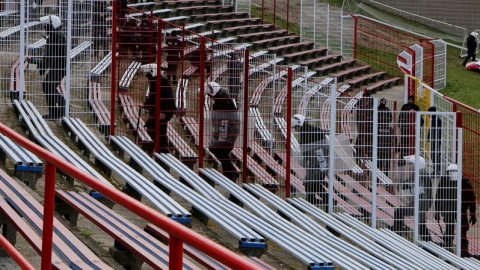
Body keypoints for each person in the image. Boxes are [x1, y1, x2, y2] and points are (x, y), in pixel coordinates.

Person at [435, 164, 477, 257]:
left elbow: (471, 198)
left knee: (461, 229)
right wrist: (437, 210)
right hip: (449, 209)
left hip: (458, 209)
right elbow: (439, 197)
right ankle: (449, 248)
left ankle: (461, 250)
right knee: (452, 229)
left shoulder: (465, 182)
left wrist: (473, 214)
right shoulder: (445, 181)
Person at [393, 155, 433, 242]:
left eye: (412, 165)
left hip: (421, 204)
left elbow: (420, 191)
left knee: (400, 212)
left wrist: (407, 188)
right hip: (418, 204)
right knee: (420, 223)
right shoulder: (419, 174)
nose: (410, 167)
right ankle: (428, 241)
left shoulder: (422, 176)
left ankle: (397, 233)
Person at [205, 82, 240, 181]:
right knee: (218, 150)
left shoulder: (223, 101)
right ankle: (229, 173)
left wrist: (220, 134)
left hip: (227, 130)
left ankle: (231, 173)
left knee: (219, 150)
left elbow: (224, 120)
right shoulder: (222, 99)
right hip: (226, 129)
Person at [292, 114, 329, 206]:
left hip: (320, 161)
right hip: (317, 162)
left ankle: (327, 200)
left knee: (313, 181)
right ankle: (312, 200)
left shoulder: (309, 133)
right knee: (309, 181)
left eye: (295, 127)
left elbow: (310, 151)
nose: (295, 130)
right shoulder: (309, 132)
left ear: (300, 125)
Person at [141, 63, 177, 154]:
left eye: (147, 74)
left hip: (165, 110)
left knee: (154, 127)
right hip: (160, 110)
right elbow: (153, 97)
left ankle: (162, 150)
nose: (146, 76)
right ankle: (161, 149)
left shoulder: (161, 81)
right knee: (157, 128)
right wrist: (145, 104)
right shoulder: (155, 81)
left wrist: (163, 112)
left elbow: (167, 98)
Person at [38, 15, 67, 120]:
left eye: (47, 25)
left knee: (49, 86)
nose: (45, 27)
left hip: (58, 68)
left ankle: (60, 110)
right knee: (48, 86)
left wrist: (41, 66)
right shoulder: (58, 36)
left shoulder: (54, 38)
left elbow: (50, 58)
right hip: (59, 67)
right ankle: (57, 112)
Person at [397, 95, 422, 165]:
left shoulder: (416, 107)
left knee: (412, 145)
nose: (410, 101)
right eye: (409, 99)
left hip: (412, 130)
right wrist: (399, 123)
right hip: (405, 128)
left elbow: (420, 118)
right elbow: (400, 115)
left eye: (411, 100)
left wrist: (417, 127)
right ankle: (401, 161)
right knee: (403, 143)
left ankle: (411, 161)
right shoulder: (404, 106)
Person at [427, 106, 442, 174]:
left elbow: (435, 131)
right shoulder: (435, 119)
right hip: (435, 140)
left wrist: (431, 138)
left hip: (435, 140)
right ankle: (435, 169)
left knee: (435, 155)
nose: (428, 115)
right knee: (434, 155)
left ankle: (436, 170)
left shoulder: (436, 120)